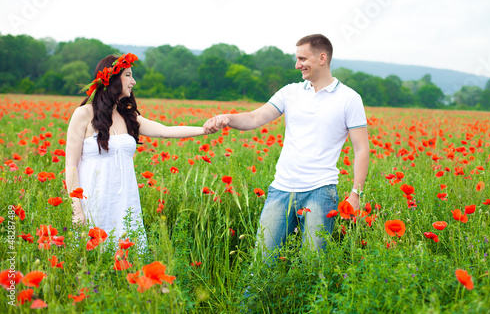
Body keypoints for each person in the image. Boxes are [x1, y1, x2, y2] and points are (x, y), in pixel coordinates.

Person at [204, 34, 369, 256]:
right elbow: (254, 118)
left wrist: (355, 193)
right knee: (263, 260)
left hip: (320, 190)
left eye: (302, 58)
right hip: (281, 188)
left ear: (322, 58)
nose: (297, 64)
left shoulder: (349, 99)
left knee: (313, 263)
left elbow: (361, 149)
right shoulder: (290, 92)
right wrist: (227, 118)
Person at [65, 53, 220, 248]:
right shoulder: (83, 114)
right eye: (128, 75)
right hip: (93, 201)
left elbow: (165, 131)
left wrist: (205, 130)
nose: (134, 82)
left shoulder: (128, 116)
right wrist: (77, 211)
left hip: (124, 204)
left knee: (127, 261)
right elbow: (71, 165)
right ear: (113, 79)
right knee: (92, 263)